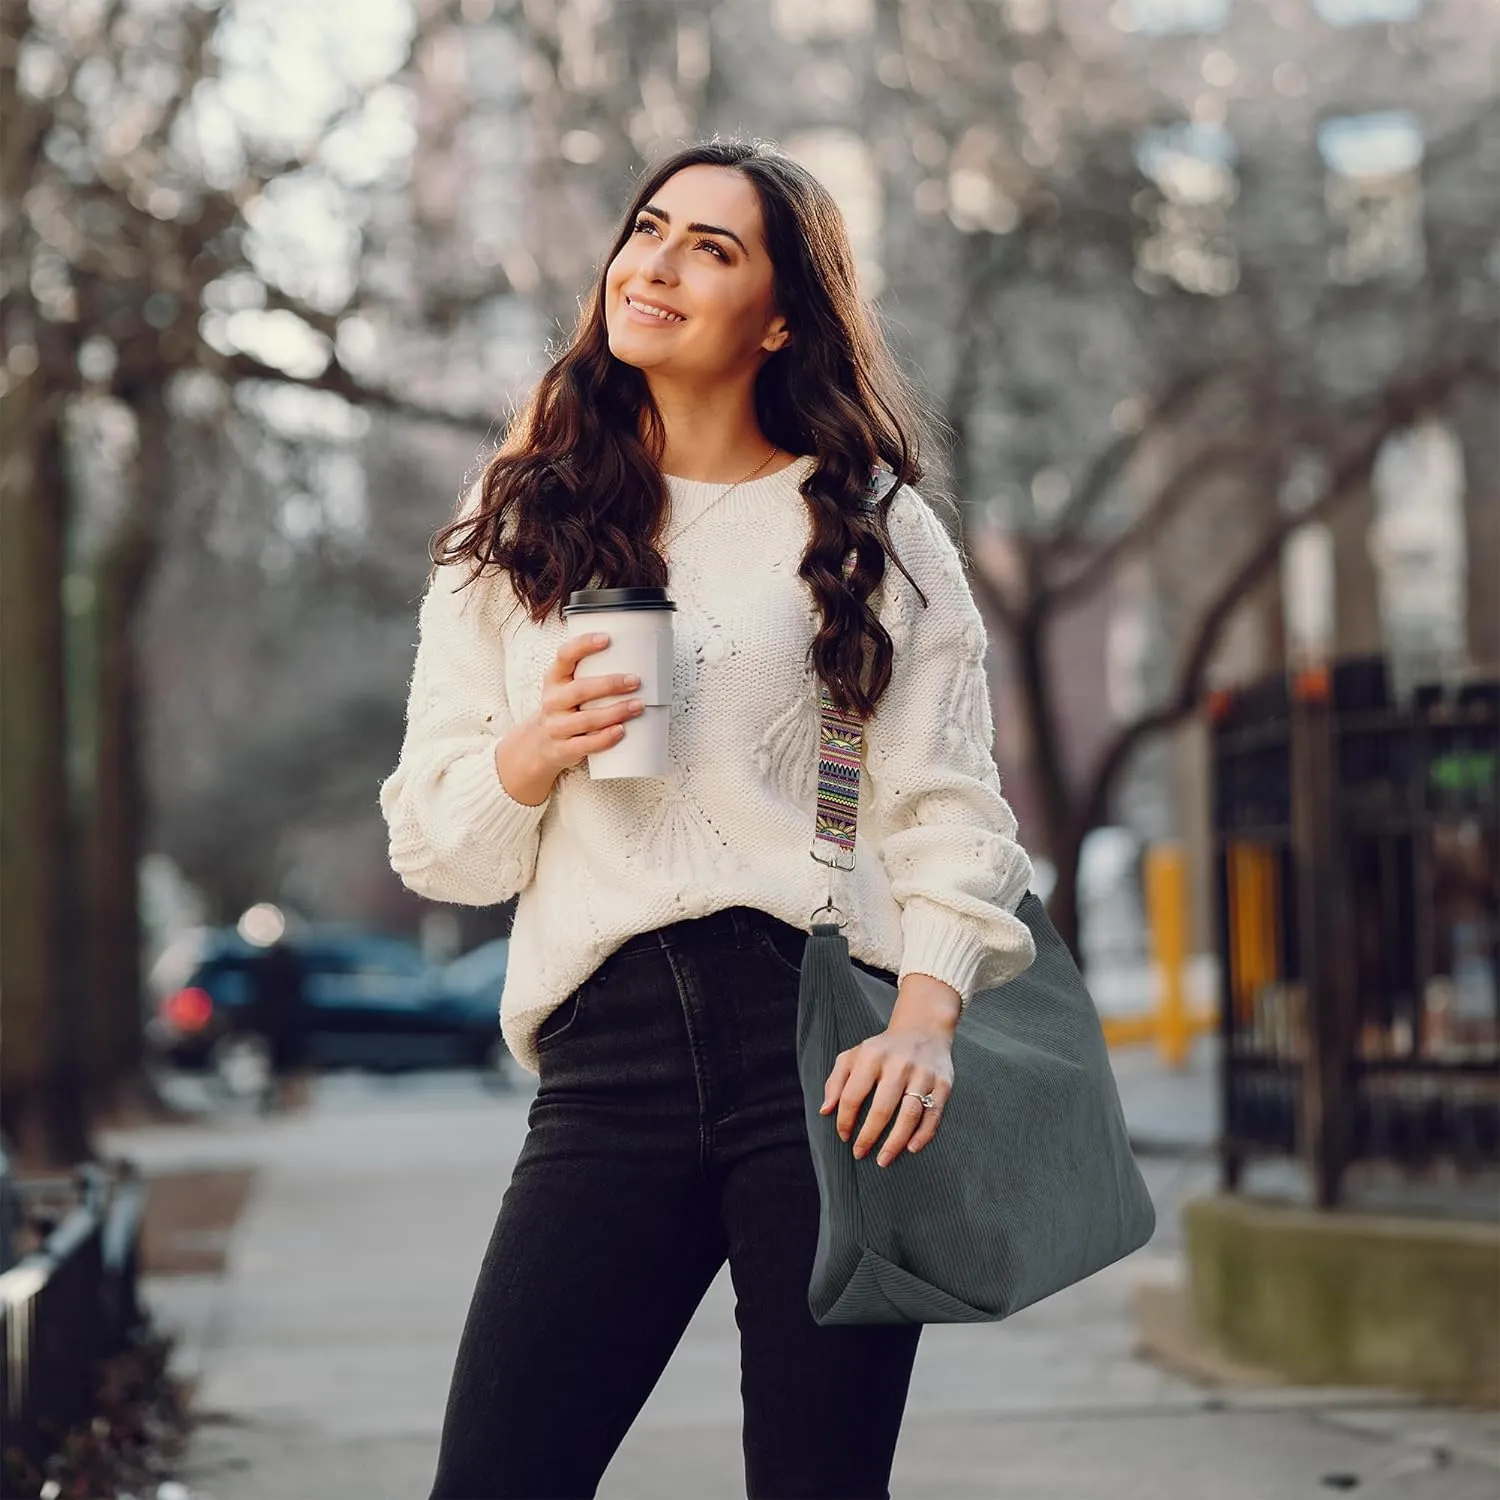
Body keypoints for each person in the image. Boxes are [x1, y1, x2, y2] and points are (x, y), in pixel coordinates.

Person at [380, 139, 1036, 1500]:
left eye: (711, 249)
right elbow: (439, 844)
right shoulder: (517, 526)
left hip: (818, 1053)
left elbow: (947, 809)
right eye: (648, 229)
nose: (656, 264)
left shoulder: (868, 528)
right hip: (606, 1052)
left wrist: (924, 1021)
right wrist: (531, 753)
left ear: (781, 316)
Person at [247, 937, 308, 1113]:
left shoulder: (262, 967)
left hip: (271, 1024)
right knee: (291, 1065)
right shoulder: (295, 967)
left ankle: (274, 1099)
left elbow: (256, 995)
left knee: (274, 1065)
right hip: (290, 1023)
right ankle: (290, 1100)